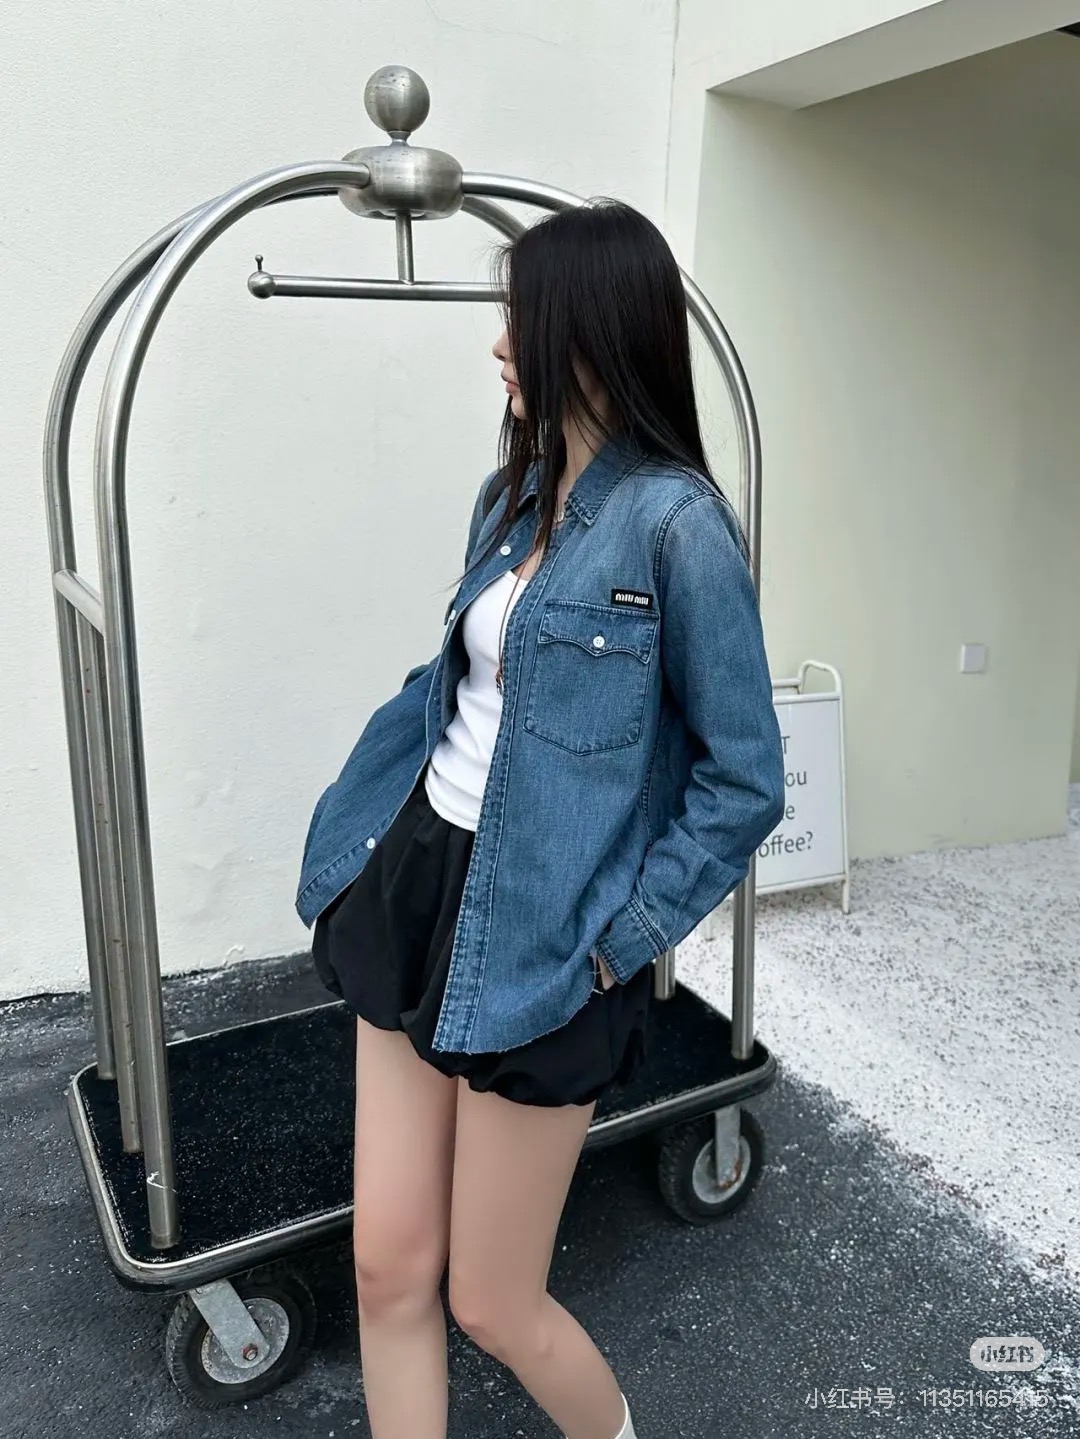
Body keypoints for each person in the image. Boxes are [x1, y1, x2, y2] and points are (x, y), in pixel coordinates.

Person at [297, 198, 786, 1439]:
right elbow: (468, 686)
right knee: (386, 1267)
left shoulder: (678, 528)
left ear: (594, 330)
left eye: (521, 319)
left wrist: (623, 939)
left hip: (552, 927)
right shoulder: (508, 495)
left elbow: (744, 778)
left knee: (493, 1300)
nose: (499, 344)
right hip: (420, 879)